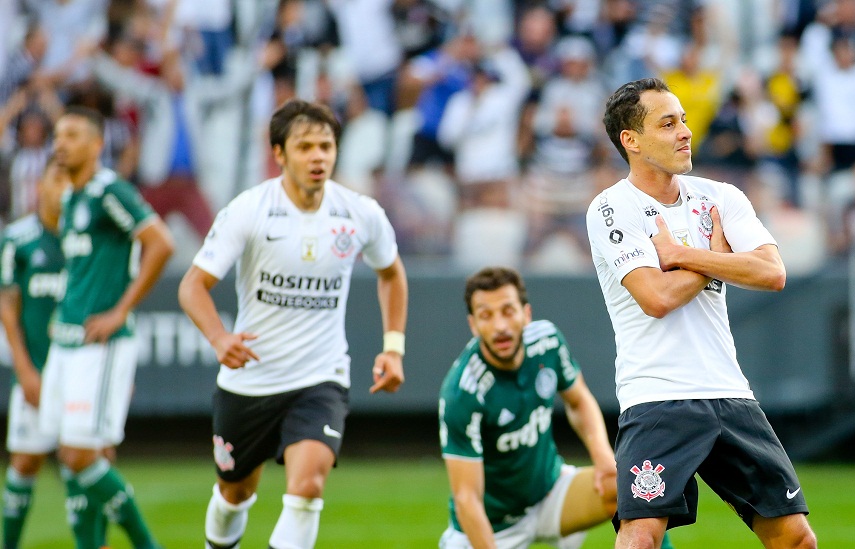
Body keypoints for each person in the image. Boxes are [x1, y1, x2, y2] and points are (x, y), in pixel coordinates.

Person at [585, 77, 817, 549]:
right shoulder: (612, 208)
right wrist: (719, 257)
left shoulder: (722, 196)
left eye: (684, 120)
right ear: (631, 141)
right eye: (668, 124)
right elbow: (657, 298)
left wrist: (684, 255)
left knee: (796, 539)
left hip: (730, 393)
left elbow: (772, 273)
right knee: (642, 538)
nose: (685, 132)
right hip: (657, 397)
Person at [178, 98, 408, 549]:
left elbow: (392, 274)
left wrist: (394, 346)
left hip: (319, 377)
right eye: (305, 147)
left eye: (325, 145)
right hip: (250, 381)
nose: (318, 156)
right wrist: (219, 337)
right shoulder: (249, 210)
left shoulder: (359, 213)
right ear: (279, 154)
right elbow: (192, 285)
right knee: (234, 492)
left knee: (307, 489)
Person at [438, 266, 674, 549]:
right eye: (486, 316)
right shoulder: (462, 392)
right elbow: (467, 499)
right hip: (493, 526)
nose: (500, 325)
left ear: (526, 314)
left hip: (550, 492)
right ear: (473, 325)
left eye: (508, 311)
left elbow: (578, 401)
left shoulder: (547, 341)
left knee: (633, 489)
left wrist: (603, 459)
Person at [39, 105, 173, 549]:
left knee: (79, 455)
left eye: (73, 135)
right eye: (58, 135)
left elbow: (160, 244)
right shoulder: (72, 198)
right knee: (76, 456)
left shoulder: (108, 189)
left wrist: (120, 310)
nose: (61, 143)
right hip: (68, 340)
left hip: (101, 342)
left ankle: (146, 544)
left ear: (97, 145)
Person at [0, 158, 67, 549]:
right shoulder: (17, 238)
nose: (62, 187)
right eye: (55, 178)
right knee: (25, 462)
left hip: (80, 369)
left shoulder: (87, 238)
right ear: (40, 185)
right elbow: (8, 307)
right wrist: (24, 371)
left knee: (91, 460)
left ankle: (97, 541)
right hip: (37, 368)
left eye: (68, 179)